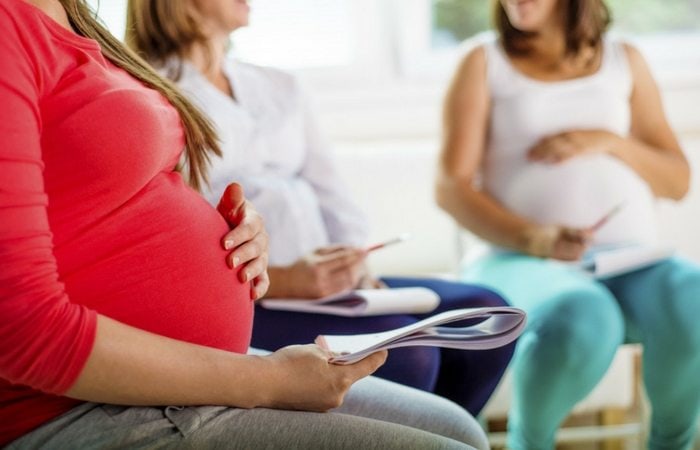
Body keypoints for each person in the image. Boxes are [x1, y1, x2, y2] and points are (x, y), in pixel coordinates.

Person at [0, 0, 493, 448]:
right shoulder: (10, 27)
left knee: (460, 428)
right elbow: (22, 330)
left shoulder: (77, 24)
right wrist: (266, 380)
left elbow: (98, 199)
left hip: (186, 368)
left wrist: (234, 233)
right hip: (76, 406)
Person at [125, 0, 516, 417]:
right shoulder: (147, 94)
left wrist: (355, 263)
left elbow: (330, 190)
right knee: (409, 358)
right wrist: (286, 279)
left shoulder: (278, 84)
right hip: (251, 299)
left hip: (329, 289)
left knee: (486, 314)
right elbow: (170, 241)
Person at [436, 0, 700, 448]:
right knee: (582, 314)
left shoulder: (624, 59)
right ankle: (529, 442)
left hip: (630, 263)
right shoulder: (483, 61)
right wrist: (534, 238)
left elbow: (676, 182)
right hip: (515, 259)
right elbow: (450, 187)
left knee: (693, 296)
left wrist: (608, 142)